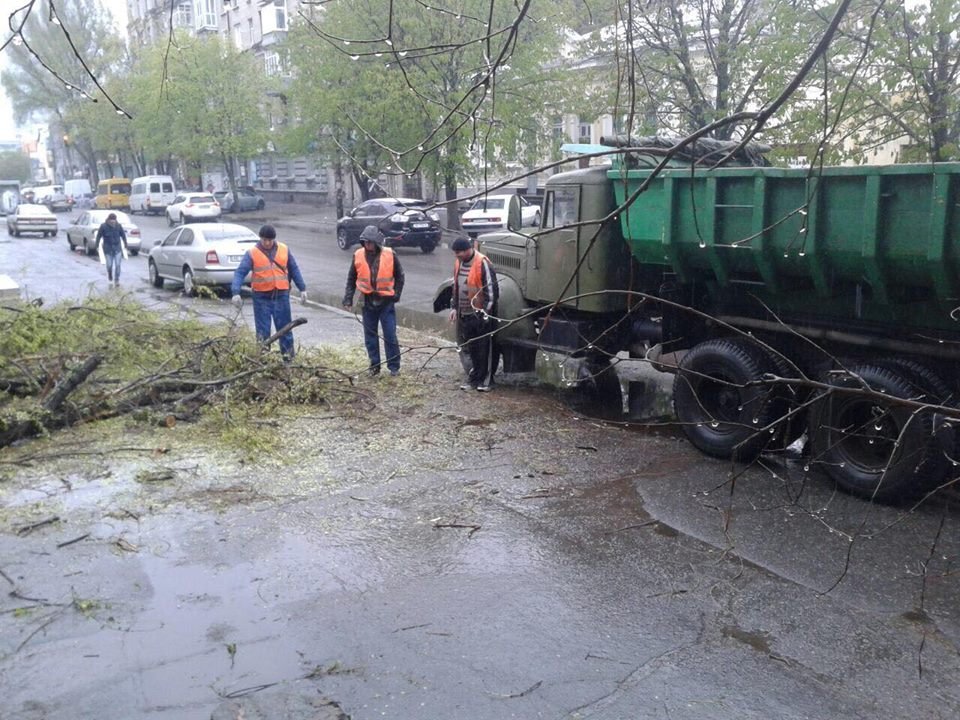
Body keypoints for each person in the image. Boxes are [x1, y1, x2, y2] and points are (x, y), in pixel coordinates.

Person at [231, 224, 308, 360]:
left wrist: (302, 289)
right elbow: (240, 272)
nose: (267, 243)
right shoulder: (252, 253)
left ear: (274, 239)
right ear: (260, 238)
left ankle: (288, 359)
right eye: (264, 240)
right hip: (261, 297)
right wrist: (235, 292)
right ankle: (263, 361)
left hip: (281, 295)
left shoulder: (284, 250)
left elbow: (294, 269)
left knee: (285, 329)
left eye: (269, 240)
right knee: (263, 332)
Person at [342, 225, 405, 376]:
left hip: (386, 301)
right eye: (365, 242)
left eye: (370, 242)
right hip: (368, 301)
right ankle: (374, 366)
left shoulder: (390, 254)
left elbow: (400, 276)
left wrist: (396, 294)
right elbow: (351, 279)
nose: (367, 245)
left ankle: (394, 367)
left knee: (390, 335)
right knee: (370, 336)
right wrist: (348, 299)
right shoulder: (357, 255)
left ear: (376, 242)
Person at [449, 236, 499, 391]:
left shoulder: (482, 263)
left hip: (481, 315)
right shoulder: (459, 263)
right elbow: (456, 287)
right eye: (456, 252)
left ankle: (487, 380)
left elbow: (492, 292)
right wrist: (454, 308)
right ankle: (474, 378)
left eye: (459, 252)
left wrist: (484, 314)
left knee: (485, 349)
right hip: (466, 313)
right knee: (472, 349)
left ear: (468, 250)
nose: (457, 255)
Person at [95, 212, 128, 287]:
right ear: (109, 220)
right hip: (108, 249)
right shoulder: (103, 226)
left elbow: (123, 235)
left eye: (114, 220)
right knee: (109, 265)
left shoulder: (118, 226)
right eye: (111, 220)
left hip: (117, 248)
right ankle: (110, 275)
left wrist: (125, 244)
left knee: (118, 265)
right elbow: (98, 236)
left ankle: (117, 280)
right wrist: (97, 245)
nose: (113, 221)